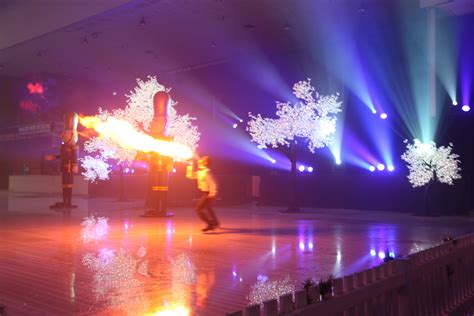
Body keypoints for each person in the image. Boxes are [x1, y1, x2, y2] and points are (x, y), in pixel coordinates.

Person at [46, 112, 79, 209]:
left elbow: (75, 156)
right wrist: (54, 157)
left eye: (65, 133)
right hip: (64, 169)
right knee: (64, 186)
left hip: (69, 169)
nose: (63, 134)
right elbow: (61, 156)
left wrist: (75, 165)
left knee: (69, 186)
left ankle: (68, 202)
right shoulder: (63, 147)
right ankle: (65, 202)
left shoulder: (74, 147)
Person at [186, 156, 219, 232]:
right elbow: (190, 176)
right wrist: (190, 165)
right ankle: (215, 222)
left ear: (205, 162)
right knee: (208, 208)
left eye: (202, 159)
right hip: (205, 192)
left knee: (198, 209)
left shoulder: (207, 172)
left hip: (208, 193)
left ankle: (210, 224)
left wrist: (212, 194)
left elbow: (213, 183)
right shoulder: (199, 172)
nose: (199, 160)